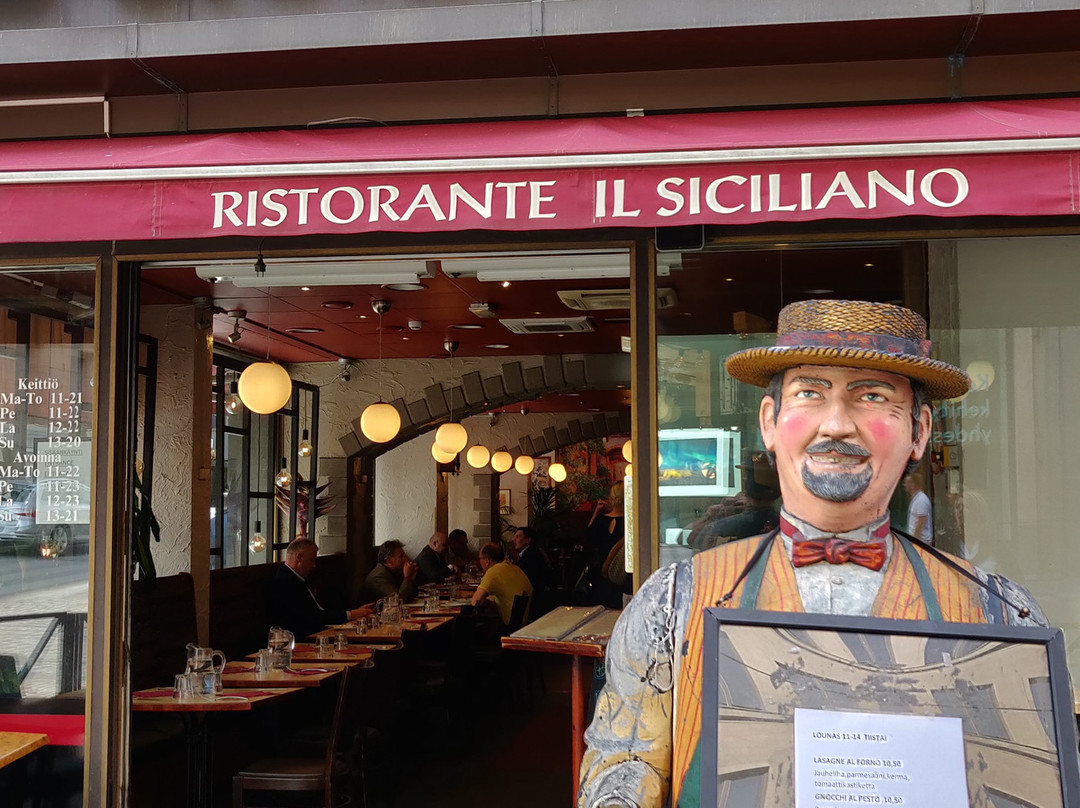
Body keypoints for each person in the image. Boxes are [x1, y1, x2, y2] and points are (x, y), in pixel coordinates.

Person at [578, 299, 1045, 808]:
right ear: (769, 422)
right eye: (810, 394)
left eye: (872, 396)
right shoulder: (672, 605)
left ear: (920, 431)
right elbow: (625, 762)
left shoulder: (1001, 615)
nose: (836, 425)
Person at [267, 538, 373, 639]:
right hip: (302, 640)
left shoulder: (294, 577)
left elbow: (318, 613)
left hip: (316, 633)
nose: (314, 565)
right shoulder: (285, 582)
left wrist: (354, 612)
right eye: (312, 560)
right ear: (299, 557)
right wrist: (351, 614)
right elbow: (312, 617)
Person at [472, 541, 533, 628]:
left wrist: (484, 601)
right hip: (526, 625)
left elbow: (475, 602)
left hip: (509, 628)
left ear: (487, 561)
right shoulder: (515, 568)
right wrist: (488, 602)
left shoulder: (493, 571)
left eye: (480, 558)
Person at [511, 525, 553, 594]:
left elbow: (524, 577)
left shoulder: (531, 555)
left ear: (528, 540)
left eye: (518, 536)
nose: (513, 539)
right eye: (514, 536)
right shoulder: (529, 553)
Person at [904, 471, 934, 545]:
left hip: (921, 542)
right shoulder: (916, 499)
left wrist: (914, 540)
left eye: (907, 483)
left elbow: (920, 522)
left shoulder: (921, 500)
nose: (904, 485)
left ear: (913, 485)